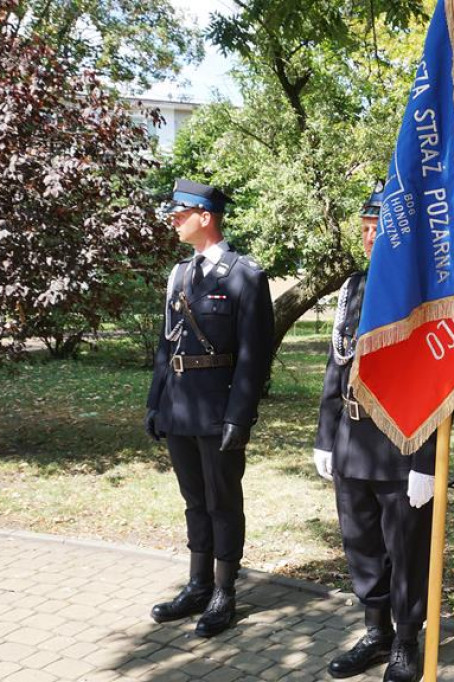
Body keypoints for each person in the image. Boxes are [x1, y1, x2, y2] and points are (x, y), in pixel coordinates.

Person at [313, 183, 436, 682]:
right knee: (361, 543)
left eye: (376, 228)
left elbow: (434, 385)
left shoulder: (424, 296)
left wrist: (425, 461)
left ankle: (407, 640)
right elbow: (335, 366)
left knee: (405, 548)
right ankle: (375, 629)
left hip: (400, 444)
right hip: (352, 439)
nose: (367, 237)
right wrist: (326, 434)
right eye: (364, 227)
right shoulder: (355, 288)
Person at [145, 179, 274, 637]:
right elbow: (166, 345)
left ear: (206, 216)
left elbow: (254, 355)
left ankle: (224, 591)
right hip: (179, 405)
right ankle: (197, 585)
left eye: (181, 212)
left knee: (223, 501)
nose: (174, 219)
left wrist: (241, 415)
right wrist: (155, 402)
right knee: (193, 500)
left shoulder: (244, 275)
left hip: (219, 408)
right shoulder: (179, 274)